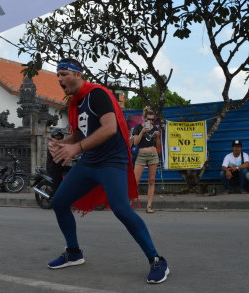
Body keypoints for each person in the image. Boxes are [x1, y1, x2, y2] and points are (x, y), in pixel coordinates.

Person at [47, 58, 169, 284]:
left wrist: (76, 148)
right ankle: (73, 253)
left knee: (122, 209)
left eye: (64, 74)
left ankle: (157, 260)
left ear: (78, 74)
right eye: (58, 75)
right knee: (59, 202)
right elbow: (79, 135)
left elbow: (110, 128)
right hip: (90, 161)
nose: (60, 79)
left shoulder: (97, 95)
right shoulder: (75, 103)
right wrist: (63, 143)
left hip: (112, 162)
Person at [132, 107, 162, 213]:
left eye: (152, 120)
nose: (150, 122)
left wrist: (158, 137)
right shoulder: (137, 127)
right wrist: (142, 132)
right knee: (135, 180)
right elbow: (135, 142)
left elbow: (158, 147)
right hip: (141, 154)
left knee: (152, 180)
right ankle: (130, 203)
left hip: (153, 155)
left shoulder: (155, 129)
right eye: (148, 119)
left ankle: (149, 206)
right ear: (143, 118)